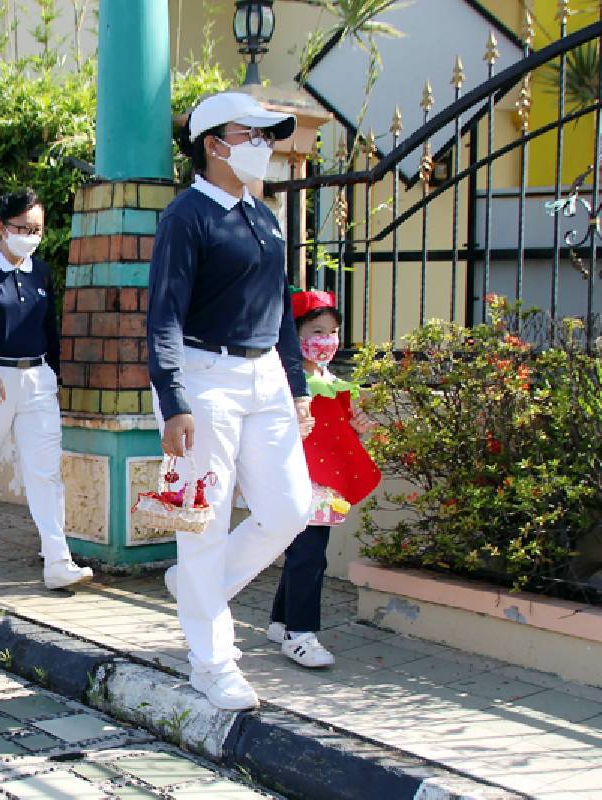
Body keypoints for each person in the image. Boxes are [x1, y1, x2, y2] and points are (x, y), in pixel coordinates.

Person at [146, 92, 315, 710]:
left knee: (291, 509)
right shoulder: (186, 216)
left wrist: (295, 388)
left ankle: (195, 589)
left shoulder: (265, 215)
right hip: (202, 375)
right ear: (214, 143)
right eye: (254, 135)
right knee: (201, 523)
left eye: (269, 138)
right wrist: (173, 399)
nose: (265, 148)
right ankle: (213, 663)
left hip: (265, 373)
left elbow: (284, 311)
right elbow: (163, 313)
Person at [0, 188, 93, 591]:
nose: (29, 235)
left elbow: (50, 329)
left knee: (45, 471)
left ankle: (57, 558)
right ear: (0, 227)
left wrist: (56, 377)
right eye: (21, 228)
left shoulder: (41, 272)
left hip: (36, 380)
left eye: (36, 229)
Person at [267, 290, 380, 667]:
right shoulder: (284, 381)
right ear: (294, 335)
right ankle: (300, 634)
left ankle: (282, 622)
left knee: (306, 551)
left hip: (324, 479)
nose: (327, 340)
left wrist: (359, 426)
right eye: (317, 331)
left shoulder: (332, 380)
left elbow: (338, 428)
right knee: (309, 554)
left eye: (332, 332)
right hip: (298, 475)